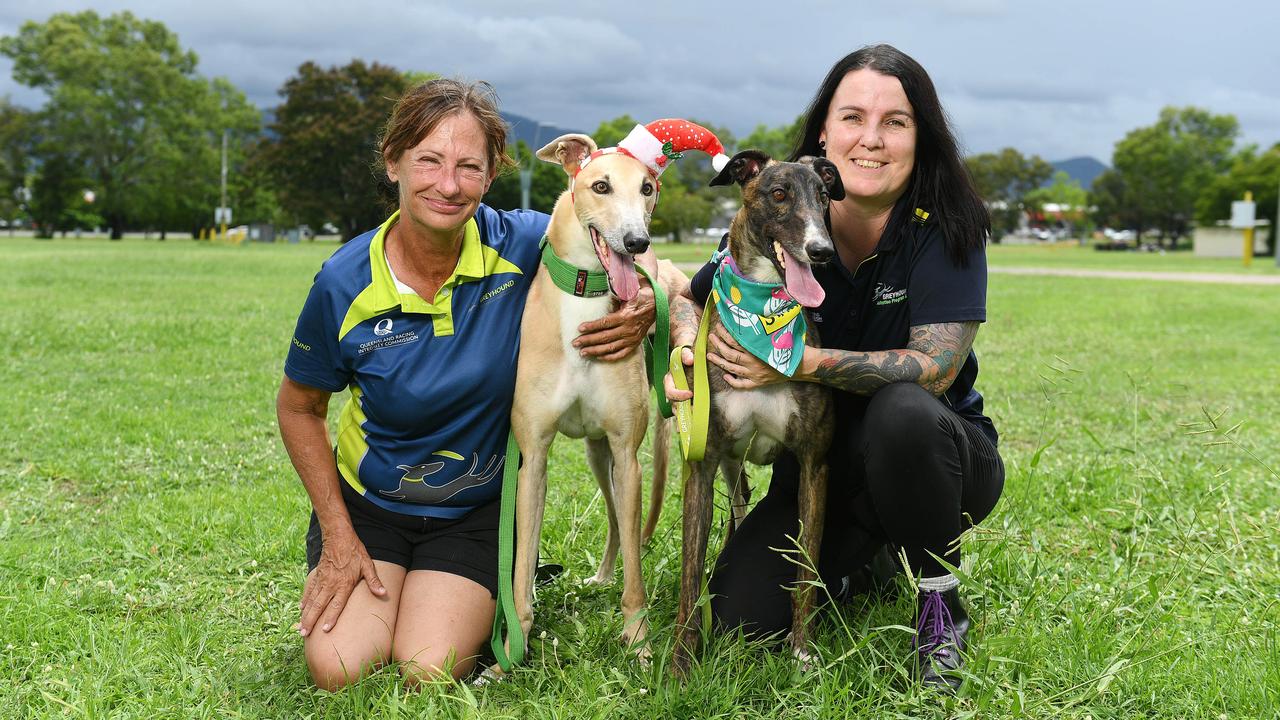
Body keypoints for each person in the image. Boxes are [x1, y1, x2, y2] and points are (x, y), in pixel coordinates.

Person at [276, 78, 655, 691]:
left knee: (429, 667)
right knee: (338, 667)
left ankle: (468, 587)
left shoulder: (525, 241)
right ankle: (387, 579)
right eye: (428, 160)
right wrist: (338, 535)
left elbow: (631, 240)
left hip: (473, 511)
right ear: (393, 161)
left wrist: (651, 308)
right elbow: (298, 409)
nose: (448, 185)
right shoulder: (343, 281)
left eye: (469, 167)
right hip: (369, 510)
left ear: (490, 175)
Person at [665, 44, 1004, 691]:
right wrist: (687, 343)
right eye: (853, 117)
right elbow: (693, 294)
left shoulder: (947, 227)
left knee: (902, 411)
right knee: (740, 620)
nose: (871, 139)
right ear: (825, 131)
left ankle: (939, 603)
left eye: (895, 122)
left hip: (939, 462)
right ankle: (858, 564)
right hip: (822, 472)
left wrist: (796, 360)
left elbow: (933, 367)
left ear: (919, 135)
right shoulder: (778, 217)